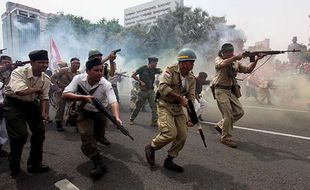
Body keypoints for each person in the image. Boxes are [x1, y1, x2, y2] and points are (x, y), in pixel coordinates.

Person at [62, 58, 122, 178]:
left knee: (98, 136)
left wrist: (116, 118)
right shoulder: (78, 79)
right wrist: (83, 98)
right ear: (88, 71)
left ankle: (89, 146)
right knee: (86, 134)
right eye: (96, 70)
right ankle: (98, 163)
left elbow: (113, 102)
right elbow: (65, 94)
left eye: (101, 70)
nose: (100, 73)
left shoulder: (105, 83)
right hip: (84, 111)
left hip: (100, 113)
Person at [144, 48, 196, 173]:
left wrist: (191, 116)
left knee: (182, 135)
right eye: (190, 62)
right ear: (182, 62)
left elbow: (191, 98)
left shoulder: (191, 78)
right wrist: (180, 98)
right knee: (170, 134)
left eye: (193, 62)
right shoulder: (170, 70)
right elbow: (162, 87)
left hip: (178, 108)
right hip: (164, 105)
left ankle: (169, 160)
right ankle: (151, 147)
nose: (193, 64)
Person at [4, 50, 51, 176]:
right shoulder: (19, 72)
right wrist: (37, 89)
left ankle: (35, 164)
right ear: (31, 62)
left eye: (46, 62)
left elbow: (44, 97)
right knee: (20, 135)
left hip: (31, 104)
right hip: (14, 103)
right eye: (41, 62)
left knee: (40, 132)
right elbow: (20, 91)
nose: (45, 65)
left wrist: (43, 112)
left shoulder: (45, 78)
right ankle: (14, 163)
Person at [211, 43, 265, 148]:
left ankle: (221, 126)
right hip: (220, 89)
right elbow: (220, 64)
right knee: (228, 115)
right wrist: (235, 57)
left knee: (240, 112)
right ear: (223, 53)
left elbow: (248, 70)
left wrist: (257, 59)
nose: (229, 53)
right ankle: (225, 138)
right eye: (227, 52)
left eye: (231, 52)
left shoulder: (235, 62)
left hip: (230, 90)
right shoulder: (219, 59)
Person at [87, 49, 117, 145]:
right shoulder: (88, 66)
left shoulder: (103, 65)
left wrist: (111, 61)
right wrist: (108, 57)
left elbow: (112, 73)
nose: (99, 58)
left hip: (102, 92)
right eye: (97, 56)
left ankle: (101, 136)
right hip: (90, 92)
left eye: (100, 56)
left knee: (103, 118)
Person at [129, 57, 162, 127]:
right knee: (138, 106)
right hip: (143, 91)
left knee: (154, 106)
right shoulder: (143, 68)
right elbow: (133, 75)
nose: (156, 64)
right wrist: (140, 81)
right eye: (155, 63)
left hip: (151, 91)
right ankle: (131, 119)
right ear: (151, 62)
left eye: (156, 63)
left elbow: (162, 71)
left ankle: (154, 121)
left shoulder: (155, 70)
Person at [51, 58, 80, 132]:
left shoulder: (78, 74)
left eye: (78, 63)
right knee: (61, 107)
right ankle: (58, 123)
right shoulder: (63, 70)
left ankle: (72, 121)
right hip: (62, 91)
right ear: (71, 63)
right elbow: (52, 78)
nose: (77, 64)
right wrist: (57, 88)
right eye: (75, 63)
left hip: (72, 92)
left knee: (75, 107)